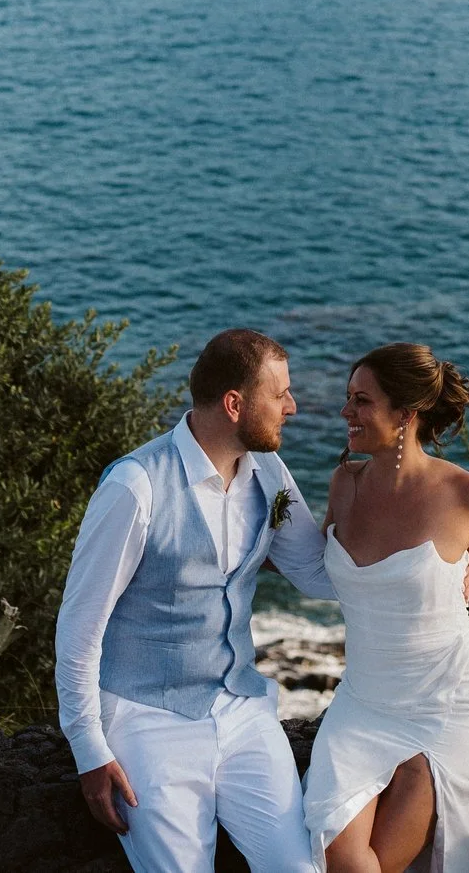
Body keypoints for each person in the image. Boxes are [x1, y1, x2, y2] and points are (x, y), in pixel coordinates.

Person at [54, 328, 337, 873]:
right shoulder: (135, 486)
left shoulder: (269, 474)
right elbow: (79, 626)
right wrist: (90, 750)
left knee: (301, 869)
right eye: (279, 395)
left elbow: (317, 573)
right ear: (234, 404)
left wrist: (426, 570)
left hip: (243, 709)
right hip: (146, 716)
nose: (293, 407)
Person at [305, 343, 469, 873]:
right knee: (339, 855)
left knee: (379, 863)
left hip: (448, 702)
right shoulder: (345, 484)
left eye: (360, 401)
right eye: (348, 398)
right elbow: (320, 568)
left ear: (406, 414)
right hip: (363, 702)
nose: (345, 412)